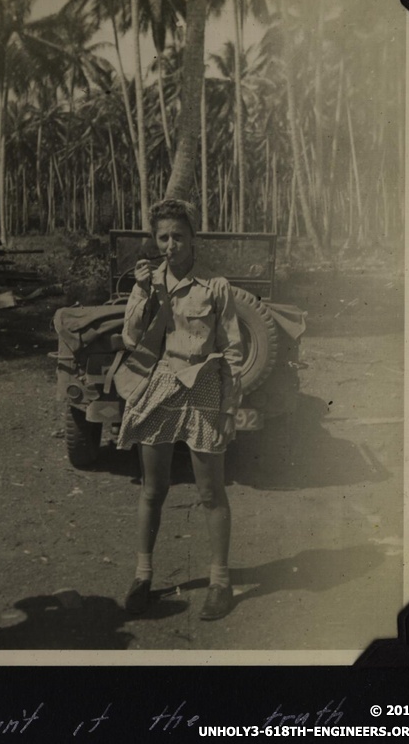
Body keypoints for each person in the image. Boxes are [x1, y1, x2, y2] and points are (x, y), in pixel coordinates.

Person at [115, 199, 244, 620]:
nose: (171, 245)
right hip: (163, 385)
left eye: (179, 236)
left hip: (205, 387)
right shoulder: (150, 284)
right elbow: (132, 338)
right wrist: (143, 292)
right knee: (154, 488)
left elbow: (233, 351)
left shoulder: (216, 287)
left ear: (193, 239)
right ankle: (142, 575)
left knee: (211, 492)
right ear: (156, 241)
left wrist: (228, 411)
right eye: (163, 237)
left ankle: (220, 583)